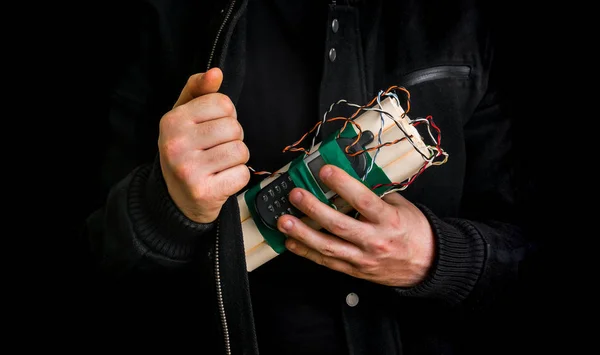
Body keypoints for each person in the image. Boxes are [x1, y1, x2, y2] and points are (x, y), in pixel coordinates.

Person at [78, 0, 541, 354]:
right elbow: (96, 263)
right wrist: (167, 209)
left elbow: (525, 253)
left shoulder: (469, 19)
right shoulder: (167, 18)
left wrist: (437, 258)